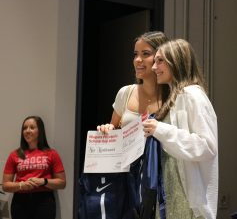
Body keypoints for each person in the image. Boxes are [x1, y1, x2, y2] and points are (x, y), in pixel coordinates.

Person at [79, 31, 169, 219]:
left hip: (161, 182)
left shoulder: (173, 97)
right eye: (135, 54)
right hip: (126, 181)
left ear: (161, 58)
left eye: (145, 54)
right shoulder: (125, 93)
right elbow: (115, 130)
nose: (138, 60)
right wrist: (108, 130)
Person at [142, 39, 218, 219]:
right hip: (170, 193)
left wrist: (161, 130)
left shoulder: (193, 96)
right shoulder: (175, 97)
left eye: (160, 61)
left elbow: (207, 146)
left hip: (186, 200)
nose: (154, 67)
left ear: (175, 62)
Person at [2, 116, 66, 219]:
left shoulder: (52, 154)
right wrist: (21, 185)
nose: (27, 131)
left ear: (40, 131)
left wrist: (43, 181)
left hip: (44, 201)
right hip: (20, 202)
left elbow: (62, 183)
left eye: (32, 127)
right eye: (25, 128)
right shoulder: (14, 154)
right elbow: (5, 185)